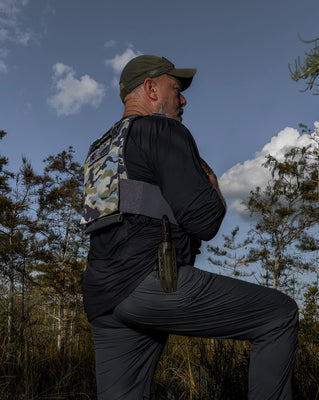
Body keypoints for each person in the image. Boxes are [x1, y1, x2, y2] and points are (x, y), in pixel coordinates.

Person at [82, 55, 299, 400]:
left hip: (101, 295)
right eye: (176, 89)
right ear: (151, 89)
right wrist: (212, 181)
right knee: (279, 314)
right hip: (151, 284)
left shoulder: (100, 150)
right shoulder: (163, 130)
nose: (183, 100)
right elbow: (205, 220)